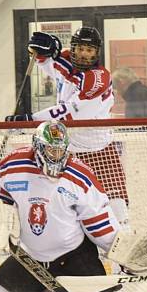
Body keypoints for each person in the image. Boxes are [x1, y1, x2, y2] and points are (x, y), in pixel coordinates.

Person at [0, 120, 147, 292]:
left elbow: (99, 222)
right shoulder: (14, 164)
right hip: (31, 256)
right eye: (51, 150)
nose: (57, 156)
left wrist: (121, 252)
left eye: (60, 150)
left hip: (74, 254)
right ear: (38, 147)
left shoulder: (80, 176)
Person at [10, 27, 130, 227]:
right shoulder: (67, 60)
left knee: (117, 207)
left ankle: (123, 254)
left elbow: (69, 114)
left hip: (99, 151)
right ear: (73, 48)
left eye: (89, 50)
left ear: (97, 53)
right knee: (64, 206)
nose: (84, 54)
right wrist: (41, 54)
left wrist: (30, 120)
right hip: (68, 152)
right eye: (80, 48)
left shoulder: (97, 78)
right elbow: (51, 66)